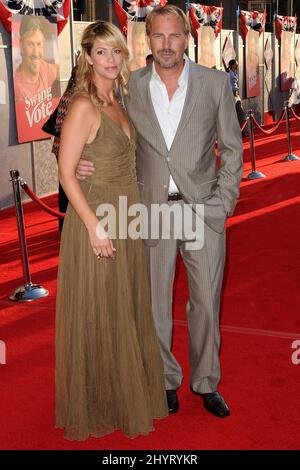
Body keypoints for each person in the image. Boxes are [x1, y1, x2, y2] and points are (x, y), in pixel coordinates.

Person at [77, 5, 243, 418]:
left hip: (202, 210)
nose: (166, 45)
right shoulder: (129, 84)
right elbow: (81, 113)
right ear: (146, 39)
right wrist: (78, 156)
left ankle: (206, 382)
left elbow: (233, 148)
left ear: (187, 38)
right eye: (158, 36)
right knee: (154, 302)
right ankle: (165, 380)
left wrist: (222, 204)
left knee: (205, 301)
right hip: (150, 211)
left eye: (174, 36)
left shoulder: (214, 83)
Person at [55, 20, 168, 441]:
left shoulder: (119, 100)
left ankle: (122, 393)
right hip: (98, 220)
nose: (109, 59)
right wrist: (94, 228)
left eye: (116, 51)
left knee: (123, 306)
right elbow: (66, 174)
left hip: (126, 214)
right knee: (101, 308)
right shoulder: (84, 103)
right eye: (100, 52)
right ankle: (99, 401)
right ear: (87, 57)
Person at [51, 53, 81, 231]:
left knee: (64, 188)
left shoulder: (68, 94)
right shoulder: (76, 98)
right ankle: (68, 226)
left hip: (61, 149)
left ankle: (64, 225)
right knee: (70, 188)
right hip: (68, 150)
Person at [14, 15, 59, 102]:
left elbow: (62, 71)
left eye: (39, 44)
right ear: (21, 45)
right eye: (30, 44)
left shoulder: (45, 68)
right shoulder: (17, 88)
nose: (36, 53)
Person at [227, 59, 248, 137]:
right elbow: (231, 85)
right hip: (232, 96)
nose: (237, 65)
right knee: (240, 114)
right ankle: (243, 132)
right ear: (232, 65)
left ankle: (241, 131)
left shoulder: (233, 73)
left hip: (234, 96)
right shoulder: (230, 74)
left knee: (238, 114)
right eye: (236, 64)